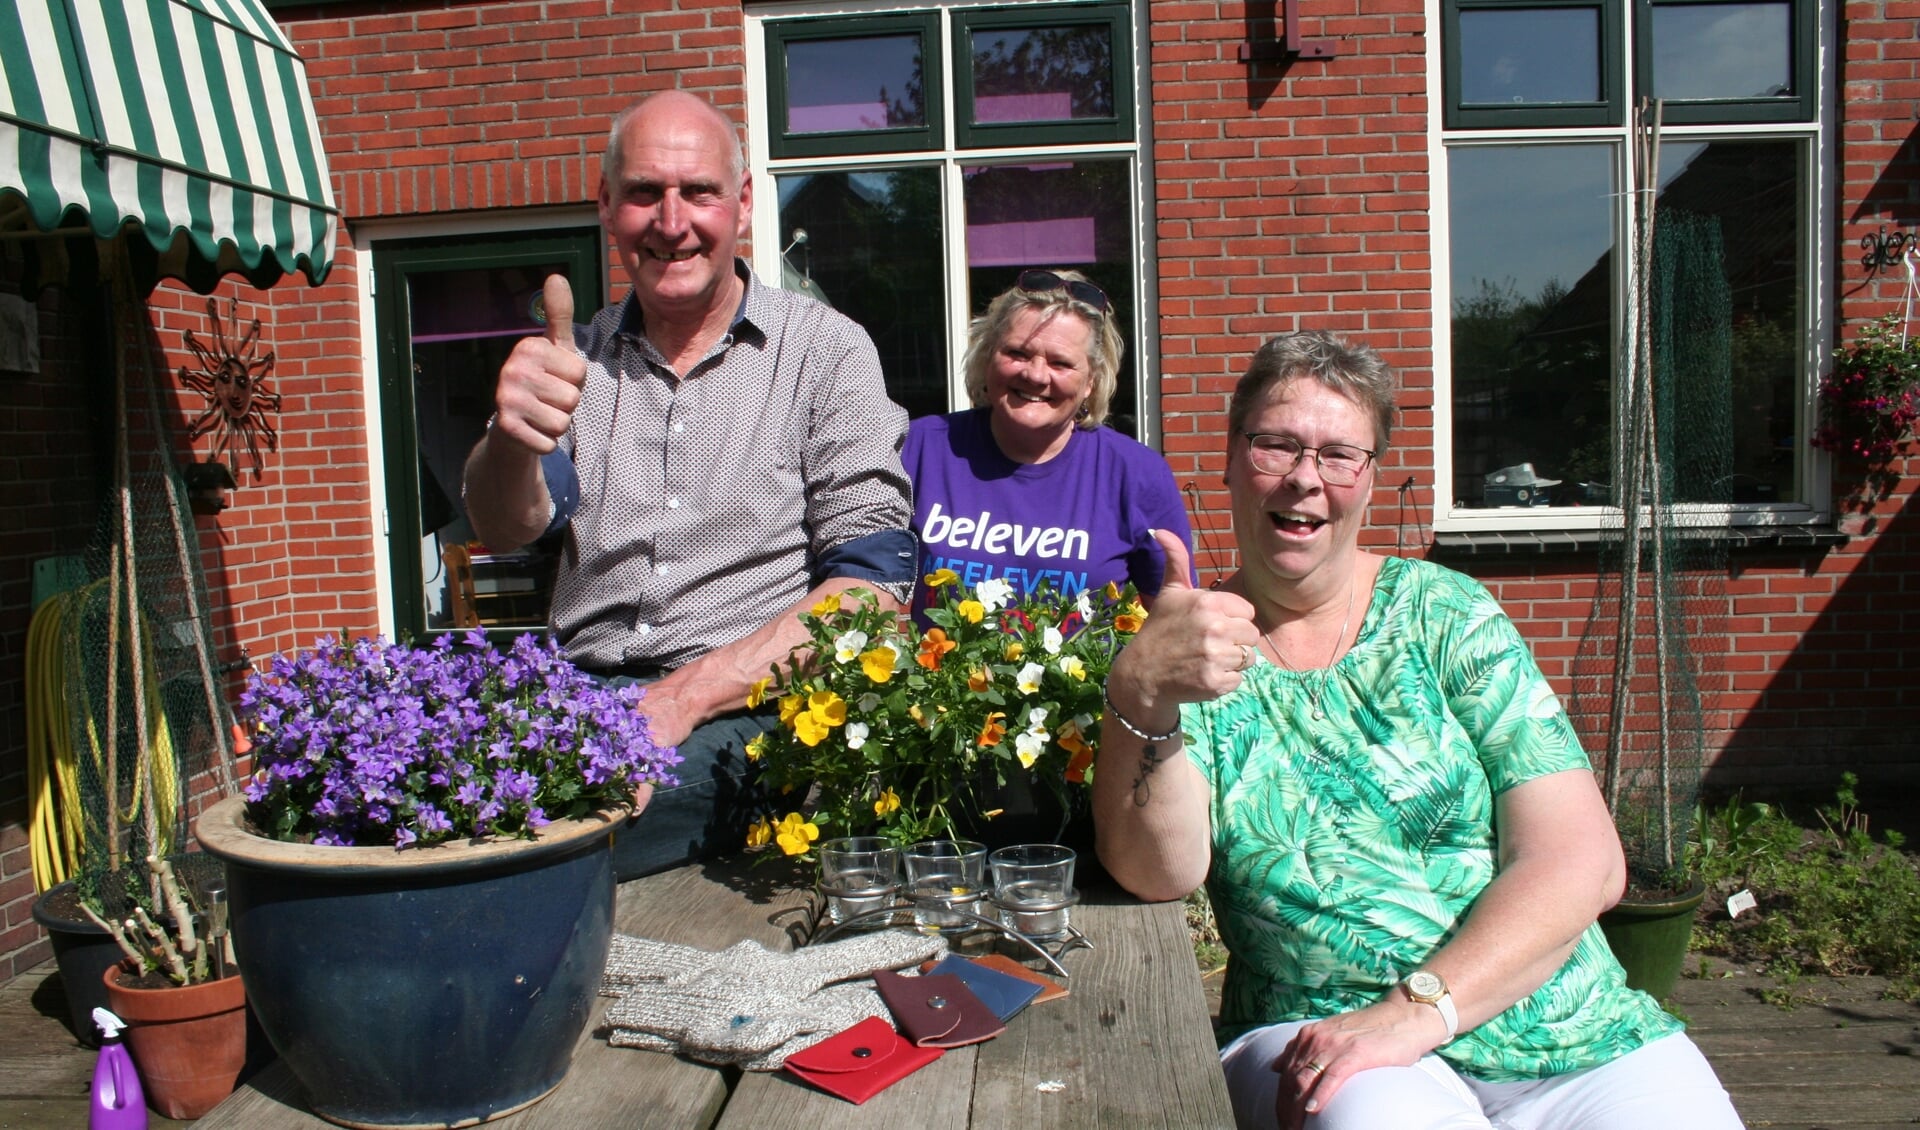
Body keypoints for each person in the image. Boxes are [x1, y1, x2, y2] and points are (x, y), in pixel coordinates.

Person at [1090, 331, 1742, 1130]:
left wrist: (1417, 1010)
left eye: (1338, 454)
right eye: (1275, 444)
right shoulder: (1196, 653)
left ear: (1368, 479)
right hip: (1320, 1036)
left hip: (1569, 1029)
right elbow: (1161, 873)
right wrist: (1140, 691)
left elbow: (1582, 859)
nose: (1305, 477)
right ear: (1229, 459)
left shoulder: (1445, 614)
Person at [462, 90, 915, 880]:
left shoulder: (826, 354)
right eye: (643, 193)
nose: (671, 223)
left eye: (698, 192)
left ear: (741, 206)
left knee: (547, 844)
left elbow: (873, 590)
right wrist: (510, 440)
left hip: (744, 709)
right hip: (579, 697)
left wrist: (683, 697)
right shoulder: (578, 358)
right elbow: (512, 526)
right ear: (607, 206)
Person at [901, 268, 1192, 614]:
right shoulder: (921, 449)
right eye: (1018, 354)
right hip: (947, 668)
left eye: (1060, 363)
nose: (1035, 375)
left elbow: (1175, 618)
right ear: (988, 356)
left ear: (1091, 382)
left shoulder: (1136, 473)